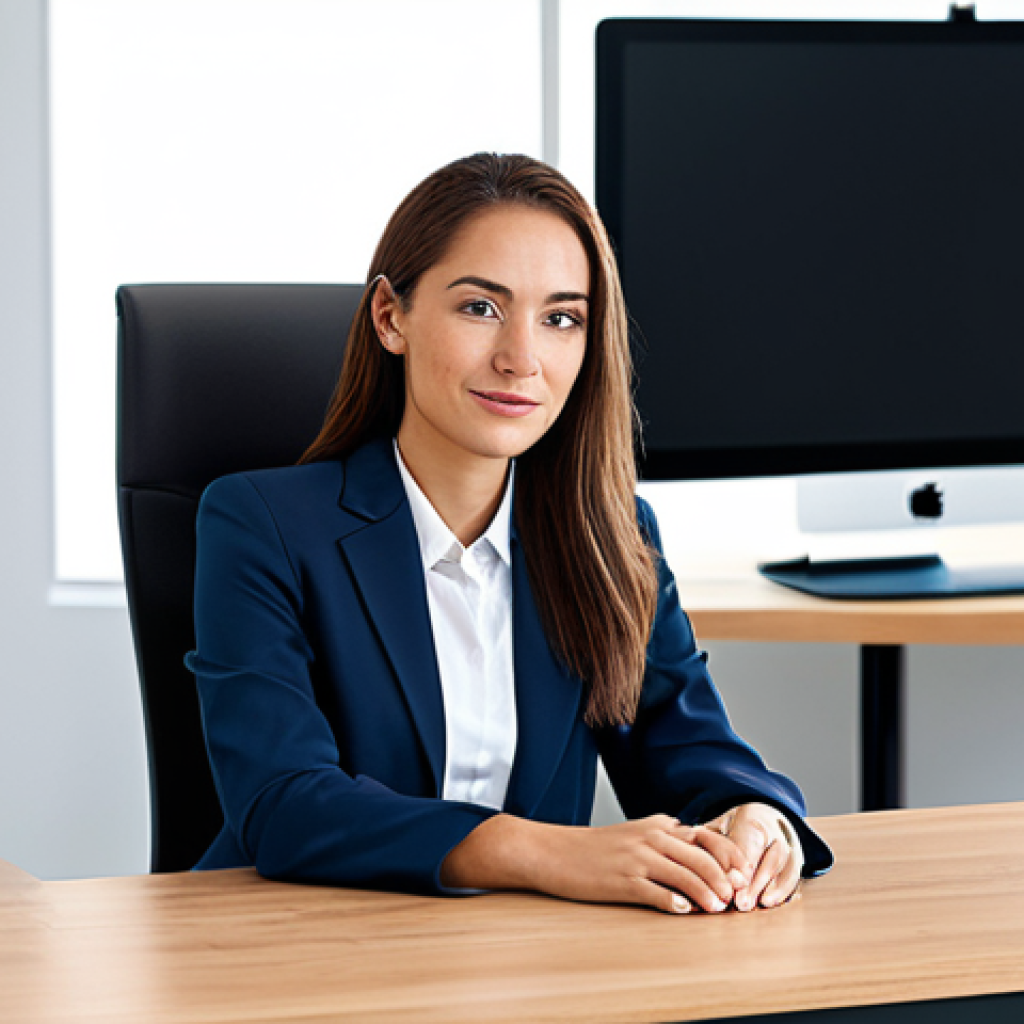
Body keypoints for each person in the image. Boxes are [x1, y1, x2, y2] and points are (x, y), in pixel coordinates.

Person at [187, 152, 832, 916]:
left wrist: (756, 816)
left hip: (522, 953)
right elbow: (284, 803)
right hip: (294, 941)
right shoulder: (261, 525)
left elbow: (687, 746)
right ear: (391, 317)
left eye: (561, 319)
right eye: (480, 308)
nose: (521, 359)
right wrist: (545, 851)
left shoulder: (608, 532)